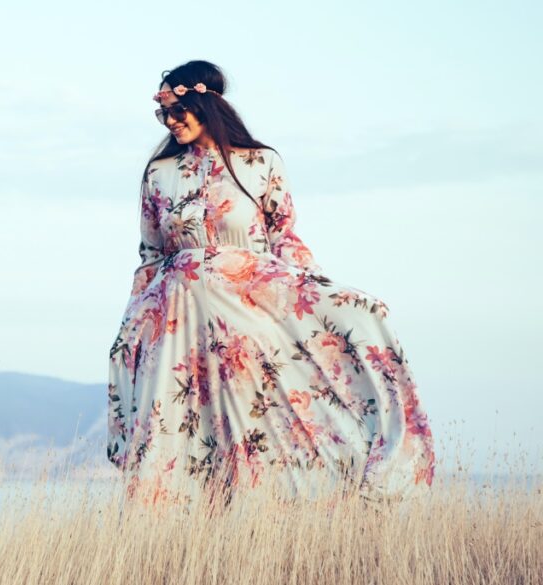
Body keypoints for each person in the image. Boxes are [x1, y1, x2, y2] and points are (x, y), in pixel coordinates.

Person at [107, 60, 436, 508]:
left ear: (206, 102)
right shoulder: (159, 173)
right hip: (175, 322)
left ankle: (279, 523)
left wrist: (322, 294)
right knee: (173, 426)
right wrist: (132, 324)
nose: (170, 121)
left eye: (177, 109)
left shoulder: (261, 163)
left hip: (248, 317)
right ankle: (168, 544)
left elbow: (284, 238)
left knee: (255, 424)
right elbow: (150, 256)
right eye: (163, 113)